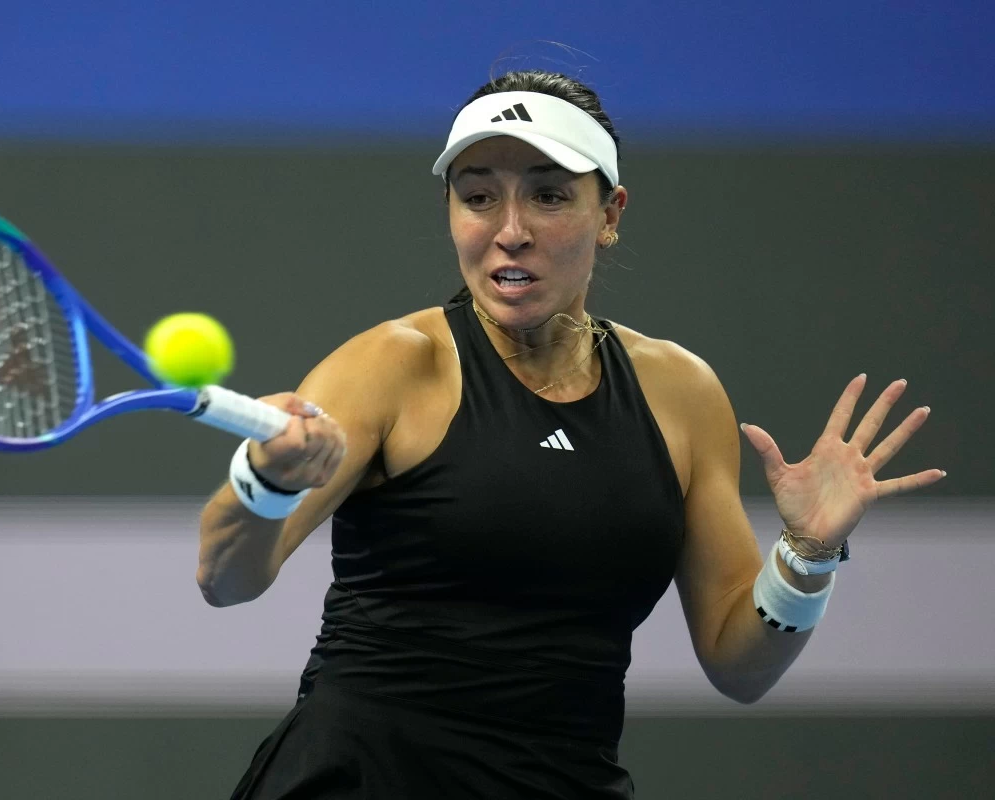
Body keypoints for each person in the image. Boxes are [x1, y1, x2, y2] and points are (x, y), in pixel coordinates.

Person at [197, 70, 944, 799]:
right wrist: (265, 483)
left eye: (548, 196)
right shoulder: (391, 365)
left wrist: (807, 556)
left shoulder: (681, 393)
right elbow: (225, 580)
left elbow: (738, 664)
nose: (510, 232)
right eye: (478, 197)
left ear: (610, 213)